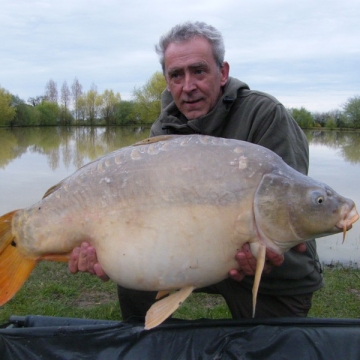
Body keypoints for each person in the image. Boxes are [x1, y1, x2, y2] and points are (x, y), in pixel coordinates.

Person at [69, 21, 323, 320]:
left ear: (223, 72)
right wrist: (106, 248)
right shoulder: (164, 130)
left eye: (198, 71)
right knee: (133, 283)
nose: (188, 86)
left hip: (271, 273)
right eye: (177, 75)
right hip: (196, 253)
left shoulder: (265, 115)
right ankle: (152, 342)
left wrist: (267, 255)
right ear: (167, 80)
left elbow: (294, 206)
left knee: (272, 345)